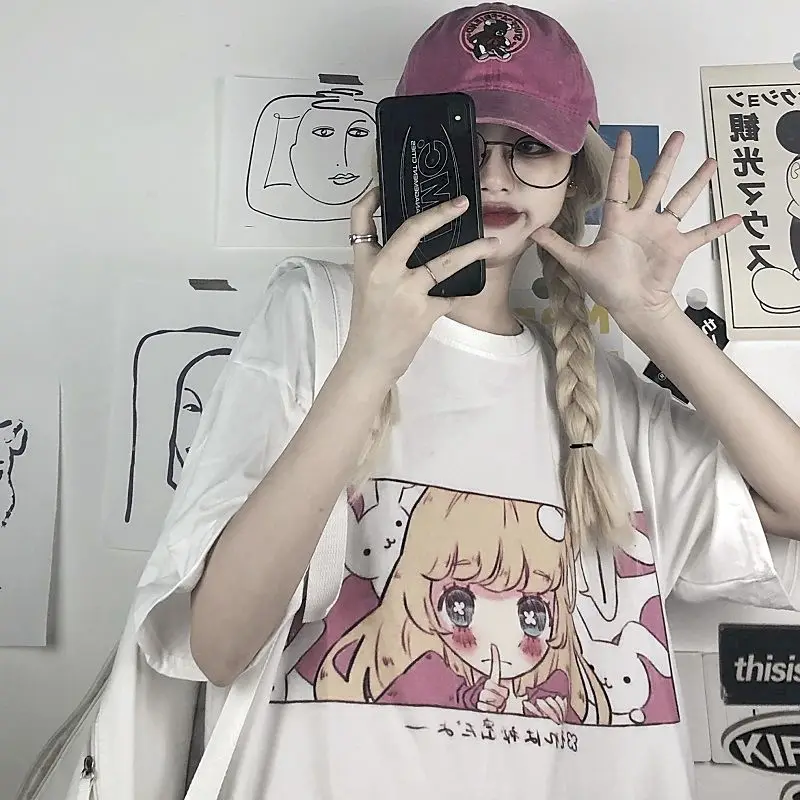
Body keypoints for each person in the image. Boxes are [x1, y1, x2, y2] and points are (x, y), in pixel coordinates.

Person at [132, 4, 800, 798]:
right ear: (403, 155)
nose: (494, 176)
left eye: (531, 147)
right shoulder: (316, 315)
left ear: (575, 175)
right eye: (462, 142)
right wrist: (371, 360)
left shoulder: (603, 395)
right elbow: (219, 647)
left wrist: (652, 316)